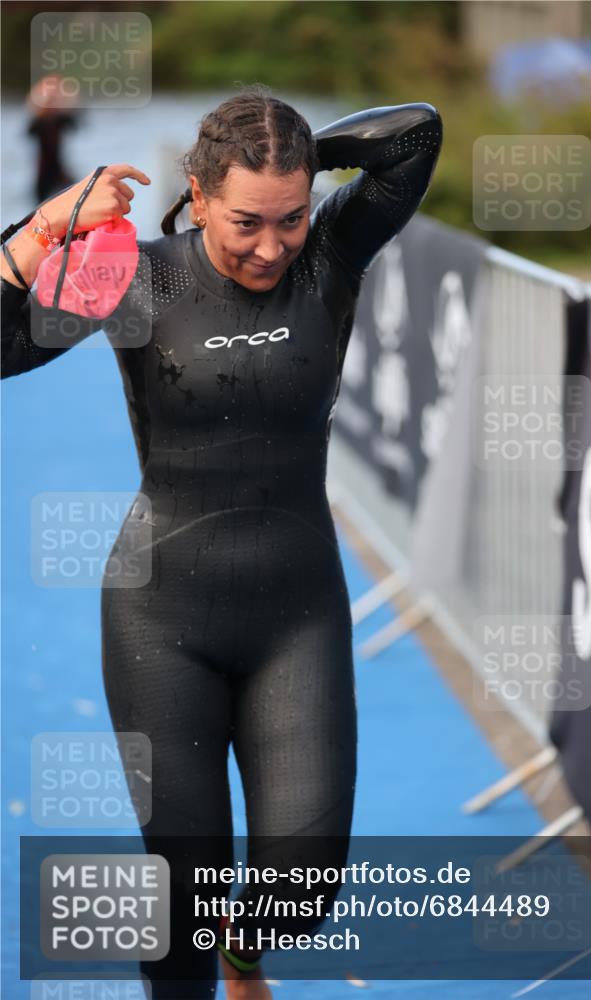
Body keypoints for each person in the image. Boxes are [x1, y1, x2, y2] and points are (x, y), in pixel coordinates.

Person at [1, 85, 443, 999]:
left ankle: (245, 958)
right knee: (181, 891)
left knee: (304, 883)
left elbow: (415, 134)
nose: (271, 246)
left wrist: (287, 153)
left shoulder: (330, 257)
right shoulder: (137, 275)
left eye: (289, 219)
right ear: (196, 195)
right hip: (161, 616)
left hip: (297, 613)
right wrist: (34, 237)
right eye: (246, 220)